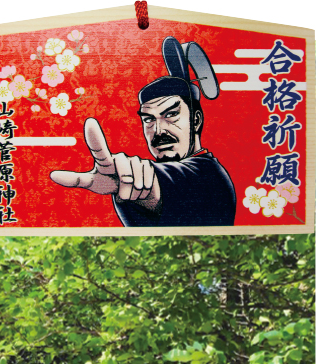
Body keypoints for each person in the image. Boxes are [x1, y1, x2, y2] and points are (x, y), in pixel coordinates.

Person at [50, 43, 236, 227]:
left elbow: (170, 184)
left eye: (171, 115)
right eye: (149, 120)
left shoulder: (209, 177)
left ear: (195, 120)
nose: (158, 131)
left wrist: (138, 181)